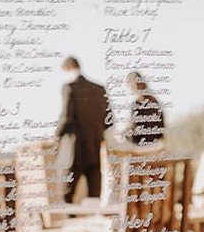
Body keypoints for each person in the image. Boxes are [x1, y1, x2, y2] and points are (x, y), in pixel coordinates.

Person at [55, 55, 112, 201]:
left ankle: (70, 221)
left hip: (75, 150)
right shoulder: (100, 89)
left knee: (67, 195)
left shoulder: (68, 88)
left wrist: (57, 135)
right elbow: (110, 121)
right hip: (95, 147)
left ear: (67, 69)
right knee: (95, 195)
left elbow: (66, 117)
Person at [124, 70, 165, 146]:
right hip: (156, 147)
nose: (129, 87)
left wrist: (126, 130)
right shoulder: (154, 101)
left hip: (143, 149)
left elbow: (135, 133)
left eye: (129, 84)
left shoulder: (136, 104)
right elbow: (161, 127)